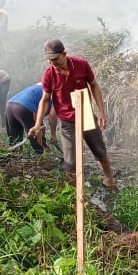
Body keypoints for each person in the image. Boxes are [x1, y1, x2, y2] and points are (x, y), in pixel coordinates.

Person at [28, 39, 117, 191]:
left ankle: (108, 180)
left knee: (99, 150)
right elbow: (45, 100)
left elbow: (94, 85)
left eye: (56, 59)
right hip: (67, 120)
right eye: (50, 60)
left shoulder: (81, 64)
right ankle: (74, 194)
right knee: (70, 162)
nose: (53, 63)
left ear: (64, 54)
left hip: (86, 115)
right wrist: (37, 124)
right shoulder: (49, 74)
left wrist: (101, 112)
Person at [6, 83, 55, 154]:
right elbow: (52, 116)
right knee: (36, 138)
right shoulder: (55, 93)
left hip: (10, 105)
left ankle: (15, 160)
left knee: (15, 142)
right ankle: (42, 159)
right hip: (24, 108)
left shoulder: (40, 86)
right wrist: (53, 135)